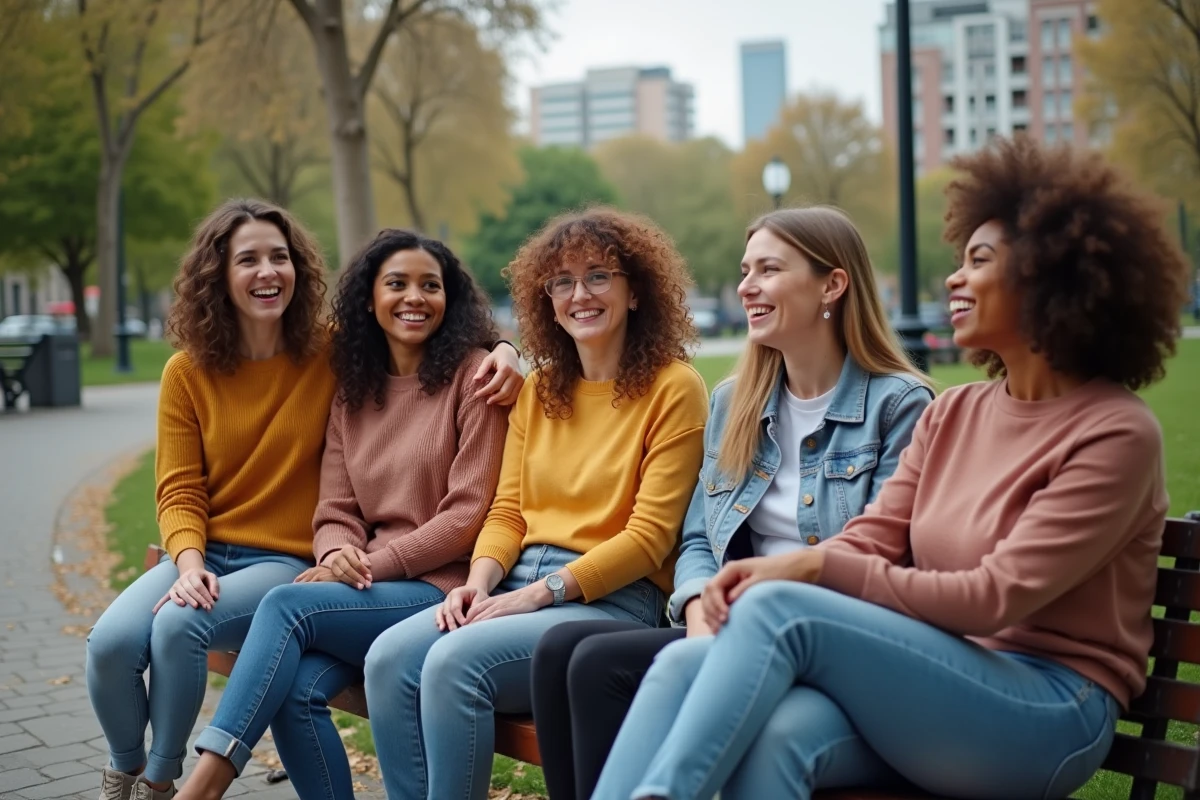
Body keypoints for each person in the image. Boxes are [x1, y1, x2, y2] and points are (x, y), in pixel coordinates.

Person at [591, 137, 1190, 800]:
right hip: (940, 672)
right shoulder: (953, 411)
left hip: (1050, 708)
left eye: (979, 261)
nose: (954, 280)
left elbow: (998, 596)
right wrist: (786, 573)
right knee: (695, 673)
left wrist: (807, 565)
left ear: (1052, 278)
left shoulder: (1115, 432)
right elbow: (874, 537)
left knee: (782, 608)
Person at [85, 201, 522, 800]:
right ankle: (134, 771)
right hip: (345, 580)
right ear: (369, 300)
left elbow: (468, 513)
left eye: (430, 286)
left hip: (434, 585)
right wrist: (340, 550)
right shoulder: (351, 384)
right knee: (287, 685)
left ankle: (199, 783)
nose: (412, 298)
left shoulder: (453, 375)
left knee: (282, 609)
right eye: (395, 284)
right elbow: (334, 507)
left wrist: (508, 348)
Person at [529, 206, 934, 800]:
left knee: (599, 665)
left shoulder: (898, 406)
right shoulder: (735, 402)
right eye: (746, 270)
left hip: (825, 639)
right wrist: (696, 610)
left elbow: (882, 556)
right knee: (566, 652)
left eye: (768, 270)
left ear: (833, 284)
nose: (746, 286)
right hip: (727, 621)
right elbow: (698, 540)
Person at [360, 207, 710, 800]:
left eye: (599, 276)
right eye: (562, 282)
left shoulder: (674, 388)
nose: (580, 295)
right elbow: (508, 511)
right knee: (389, 658)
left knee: (452, 665)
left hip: (610, 603)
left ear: (634, 292)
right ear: (546, 300)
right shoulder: (541, 388)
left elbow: (650, 537)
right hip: (513, 584)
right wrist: (477, 582)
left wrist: (535, 596)